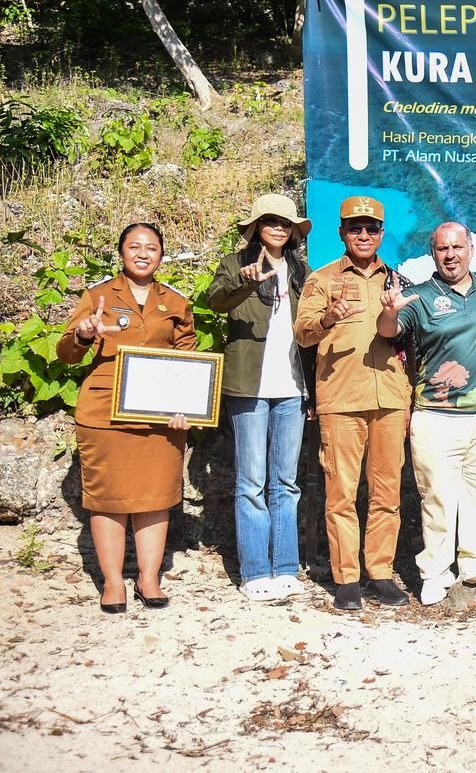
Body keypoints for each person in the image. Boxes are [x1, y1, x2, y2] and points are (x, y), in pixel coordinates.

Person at [57, 223, 194, 613]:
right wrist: (83, 334)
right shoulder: (97, 295)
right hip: (105, 414)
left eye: (151, 247)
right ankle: (113, 582)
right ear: (121, 254)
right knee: (108, 499)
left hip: (159, 417)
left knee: (156, 497)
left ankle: (149, 578)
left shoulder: (176, 302)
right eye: (134, 246)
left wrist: (189, 408)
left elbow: (189, 361)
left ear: (161, 256)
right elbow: (66, 353)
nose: (142, 253)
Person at [376, 222, 476, 606]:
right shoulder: (417, 296)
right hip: (436, 414)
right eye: (442, 249)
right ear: (433, 253)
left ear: (471, 248)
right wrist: (388, 313)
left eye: (457, 247)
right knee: (436, 496)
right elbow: (388, 331)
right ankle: (435, 571)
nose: (450, 255)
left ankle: (474, 564)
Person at [294, 195, 412, 611]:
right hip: (341, 398)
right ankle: (346, 578)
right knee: (340, 493)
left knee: (387, 492)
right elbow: (303, 333)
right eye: (356, 228)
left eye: (372, 228)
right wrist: (327, 317)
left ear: (381, 234)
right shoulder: (322, 280)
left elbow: (411, 341)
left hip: (391, 400)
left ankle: (379, 571)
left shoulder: (398, 281)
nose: (364, 235)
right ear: (342, 233)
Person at [208, 194, 314, 602]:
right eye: (270, 220)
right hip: (247, 386)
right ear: (255, 226)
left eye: (286, 222)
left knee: (285, 483)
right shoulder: (236, 264)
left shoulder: (302, 271)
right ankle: (254, 571)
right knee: (251, 482)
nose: (278, 227)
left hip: (292, 386)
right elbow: (215, 302)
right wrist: (246, 281)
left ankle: (285, 567)